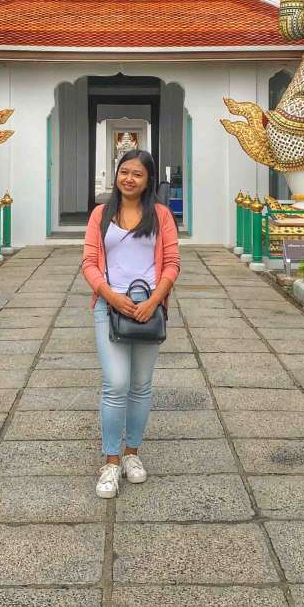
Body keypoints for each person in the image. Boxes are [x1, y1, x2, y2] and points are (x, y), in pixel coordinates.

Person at [81, 148, 180, 499]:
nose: (129, 179)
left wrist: (153, 300)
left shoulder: (162, 215)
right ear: (116, 174)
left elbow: (172, 264)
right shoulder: (100, 215)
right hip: (110, 307)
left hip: (149, 309)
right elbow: (89, 263)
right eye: (124, 171)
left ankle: (132, 455)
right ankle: (110, 461)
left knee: (140, 384)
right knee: (115, 383)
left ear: (148, 178)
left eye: (137, 173)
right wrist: (111, 295)